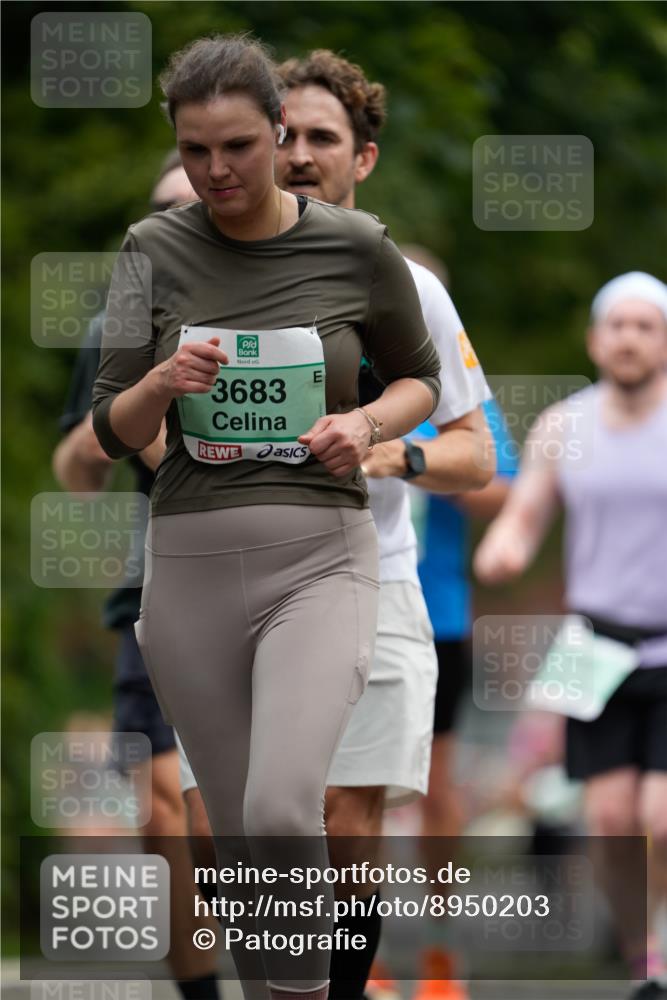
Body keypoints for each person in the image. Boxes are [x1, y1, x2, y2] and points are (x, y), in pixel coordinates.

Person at [91, 33, 441, 1000]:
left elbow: (422, 381)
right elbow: (111, 427)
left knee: (286, 812)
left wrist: (363, 423)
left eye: (237, 146)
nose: (215, 170)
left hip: (320, 558)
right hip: (191, 568)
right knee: (236, 840)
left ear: (278, 135)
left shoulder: (354, 247)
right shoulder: (150, 250)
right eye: (195, 150)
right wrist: (162, 380)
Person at [53, 151, 221, 1000]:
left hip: (269, 583)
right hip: (152, 587)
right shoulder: (116, 325)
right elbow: (74, 465)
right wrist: (100, 440)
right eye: (159, 210)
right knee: (160, 807)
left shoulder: (280, 314)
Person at [474, 272, 667, 1000]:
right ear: (593, 340)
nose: (627, 337)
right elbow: (524, 515)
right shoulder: (563, 426)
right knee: (612, 818)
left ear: (664, 342)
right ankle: (638, 954)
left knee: (661, 815)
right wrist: (505, 549)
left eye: (644, 326)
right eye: (615, 325)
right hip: (594, 647)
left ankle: (658, 947)